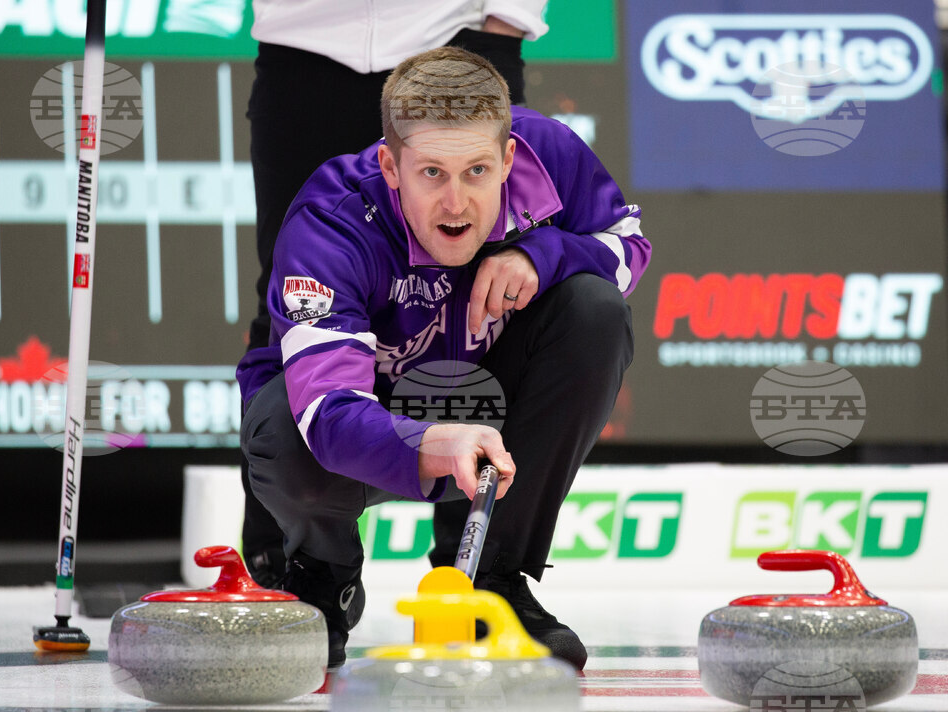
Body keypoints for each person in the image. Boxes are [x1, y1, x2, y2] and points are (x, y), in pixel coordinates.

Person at [237, 47, 650, 670]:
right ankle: (323, 574)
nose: (456, 203)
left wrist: (544, 256)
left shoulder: (547, 151)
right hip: (366, 411)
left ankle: (493, 578)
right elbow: (327, 412)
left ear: (509, 159)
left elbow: (628, 246)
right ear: (390, 165)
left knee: (595, 311)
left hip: (487, 389)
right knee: (283, 430)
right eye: (432, 173)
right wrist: (431, 441)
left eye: (477, 171)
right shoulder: (330, 220)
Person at [241, 0, 548, 601]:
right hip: (303, 46)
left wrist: (505, 26)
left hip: (456, 40)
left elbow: (620, 236)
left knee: (487, 288)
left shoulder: (546, 149)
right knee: (295, 292)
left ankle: (479, 570)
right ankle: (293, 561)